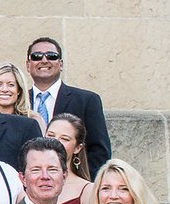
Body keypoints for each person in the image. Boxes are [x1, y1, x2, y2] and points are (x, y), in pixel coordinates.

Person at [22, 39, 112, 171]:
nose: (44, 60)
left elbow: (99, 152)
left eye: (51, 56)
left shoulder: (87, 100)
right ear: (28, 65)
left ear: (61, 64)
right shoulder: (20, 101)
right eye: (37, 56)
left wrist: (81, 184)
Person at [47, 114, 97, 204]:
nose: (55, 142)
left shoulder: (87, 191)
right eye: (51, 136)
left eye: (64, 139)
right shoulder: (27, 184)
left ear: (78, 148)